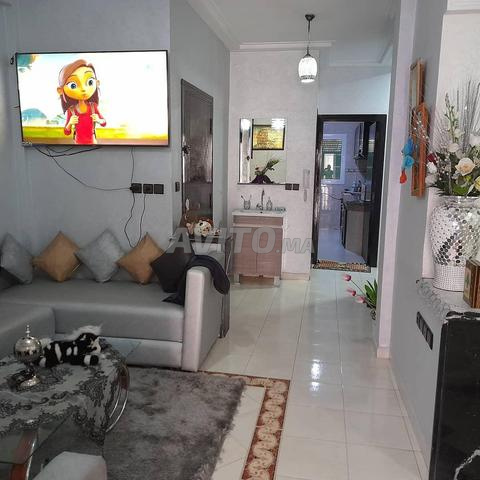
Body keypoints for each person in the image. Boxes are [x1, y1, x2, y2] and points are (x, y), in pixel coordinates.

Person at [57, 59, 106, 144]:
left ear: (97, 83)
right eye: (73, 85)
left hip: (92, 143)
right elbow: (66, 132)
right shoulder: (71, 110)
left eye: (90, 82)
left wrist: (99, 120)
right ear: (60, 90)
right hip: (78, 144)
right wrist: (70, 123)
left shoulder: (93, 107)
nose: (83, 89)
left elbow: (104, 123)